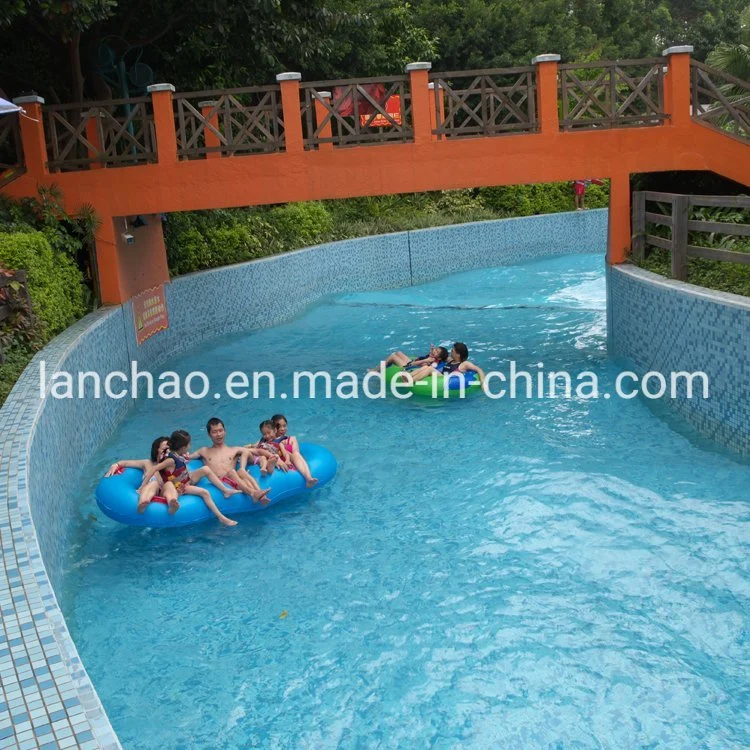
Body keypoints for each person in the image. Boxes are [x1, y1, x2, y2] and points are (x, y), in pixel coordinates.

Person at [140, 429, 239, 526]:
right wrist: (142, 486)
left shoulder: (178, 454)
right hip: (178, 488)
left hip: (186, 481)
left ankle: (225, 490)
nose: (190, 446)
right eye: (189, 444)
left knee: (205, 469)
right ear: (183, 447)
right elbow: (153, 469)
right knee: (205, 492)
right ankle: (222, 518)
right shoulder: (170, 460)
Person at [188, 418, 271, 506]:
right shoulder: (204, 451)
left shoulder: (234, 450)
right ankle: (254, 493)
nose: (218, 434)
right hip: (218, 483)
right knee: (233, 473)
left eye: (220, 430)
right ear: (209, 434)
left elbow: (257, 451)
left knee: (238, 473)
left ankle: (257, 494)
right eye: (214, 432)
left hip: (232, 480)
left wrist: (276, 458)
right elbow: (186, 458)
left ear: (225, 431)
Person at [104, 436, 170, 513]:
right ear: (156, 451)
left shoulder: (173, 466)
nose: (167, 452)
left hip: (164, 494)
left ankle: (171, 502)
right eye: (165, 449)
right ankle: (143, 502)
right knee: (154, 484)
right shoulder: (148, 464)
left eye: (170, 449)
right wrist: (116, 465)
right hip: (148, 491)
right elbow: (126, 463)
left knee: (168, 485)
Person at [271, 414, 318, 488]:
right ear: (273, 428)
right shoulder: (270, 440)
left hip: (292, 462)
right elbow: (259, 446)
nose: (282, 429)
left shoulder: (292, 439)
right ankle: (308, 478)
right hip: (279, 463)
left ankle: (309, 478)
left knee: (295, 453)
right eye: (278, 426)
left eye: (284, 426)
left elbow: (296, 452)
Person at [405, 342, 485, 385]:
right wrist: (432, 350)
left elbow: (478, 369)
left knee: (429, 369)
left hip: (445, 379)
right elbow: (439, 356)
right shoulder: (450, 359)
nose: (451, 352)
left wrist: (483, 382)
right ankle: (408, 376)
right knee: (426, 367)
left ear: (458, 354)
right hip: (441, 375)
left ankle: (410, 381)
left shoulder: (464, 364)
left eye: (453, 351)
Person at [370, 344, 448, 372]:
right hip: (414, 364)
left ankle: (375, 371)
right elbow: (430, 355)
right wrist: (432, 349)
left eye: (437, 352)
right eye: (436, 350)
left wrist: (425, 360)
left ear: (440, 358)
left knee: (393, 356)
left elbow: (413, 364)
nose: (435, 351)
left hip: (411, 368)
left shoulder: (432, 363)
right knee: (398, 352)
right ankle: (383, 368)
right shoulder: (433, 358)